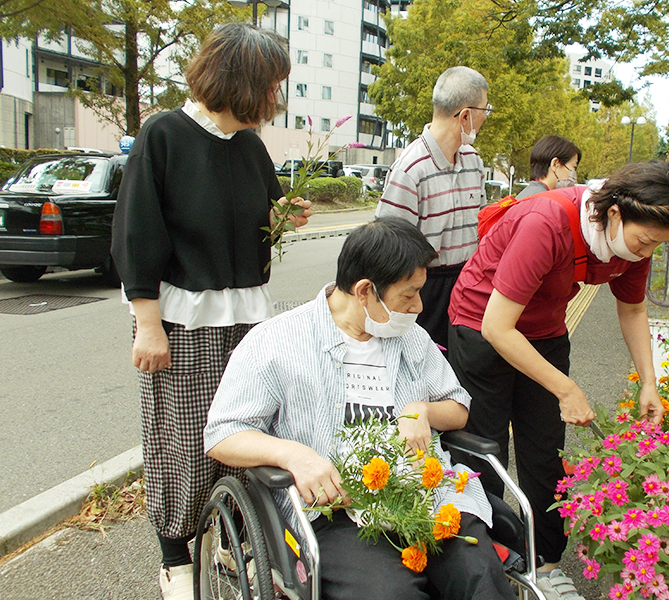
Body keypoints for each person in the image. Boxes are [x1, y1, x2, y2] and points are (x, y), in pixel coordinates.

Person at [204, 217, 514, 600]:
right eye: (409, 294)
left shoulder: (411, 339)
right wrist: (293, 455)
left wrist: (422, 411)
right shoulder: (275, 342)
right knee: (390, 594)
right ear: (365, 290)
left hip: (424, 496)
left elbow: (459, 407)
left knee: (480, 579)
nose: (419, 305)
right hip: (337, 511)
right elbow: (222, 433)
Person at [110, 24, 312, 600]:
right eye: (272, 85)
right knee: (182, 434)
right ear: (243, 83)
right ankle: (175, 557)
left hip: (244, 314)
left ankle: (229, 538)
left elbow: (263, 212)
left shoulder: (248, 146)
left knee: (243, 427)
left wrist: (285, 213)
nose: (276, 98)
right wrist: (147, 324)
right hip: (180, 317)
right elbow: (136, 234)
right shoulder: (164, 135)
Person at [447, 161, 669, 600]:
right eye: (644, 241)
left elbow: (634, 309)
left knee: (545, 450)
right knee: (485, 449)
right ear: (615, 213)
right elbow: (497, 327)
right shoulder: (547, 222)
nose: (645, 253)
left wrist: (649, 382)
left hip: (543, 330)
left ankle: (544, 563)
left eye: (657, 245)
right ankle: (482, 562)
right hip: (483, 324)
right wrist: (566, 387)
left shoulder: (631, 244)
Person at [375, 66, 490, 351]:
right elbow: (387, 247)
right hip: (425, 288)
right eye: (485, 109)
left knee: (463, 373)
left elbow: (483, 223)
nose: (486, 117)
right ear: (466, 116)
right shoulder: (411, 169)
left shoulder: (473, 160)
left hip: (468, 281)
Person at [515, 135, 581, 200]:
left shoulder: (524, 196)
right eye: (573, 167)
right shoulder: (545, 201)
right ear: (555, 164)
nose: (574, 178)